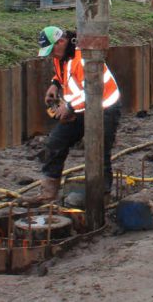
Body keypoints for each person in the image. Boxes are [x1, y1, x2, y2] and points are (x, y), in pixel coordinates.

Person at [30, 25, 122, 205]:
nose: (51, 55)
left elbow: (93, 90)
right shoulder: (61, 55)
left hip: (105, 107)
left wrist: (70, 107)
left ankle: (101, 197)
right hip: (80, 108)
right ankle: (48, 191)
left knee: (98, 152)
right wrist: (55, 84)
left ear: (62, 42)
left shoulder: (83, 58)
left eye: (51, 50)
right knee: (56, 142)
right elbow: (61, 73)